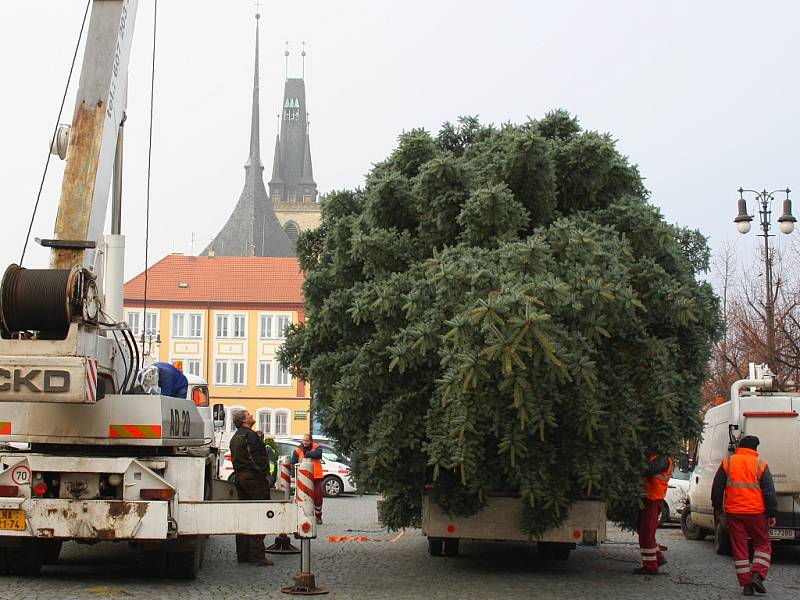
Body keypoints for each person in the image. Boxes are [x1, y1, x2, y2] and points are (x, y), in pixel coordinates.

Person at [712, 435, 777, 596]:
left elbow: (717, 487)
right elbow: (769, 492)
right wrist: (772, 513)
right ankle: (757, 574)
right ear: (755, 449)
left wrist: (717, 507)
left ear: (740, 446)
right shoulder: (760, 464)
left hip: (734, 513)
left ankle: (746, 585)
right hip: (756, 513)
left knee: (740, 549)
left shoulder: (729, 462)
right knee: (762, 544)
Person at [229, 409, 273, 566]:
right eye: (248, 414)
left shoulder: (235, 437)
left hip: (240, 477)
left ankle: (243, 554)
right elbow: (255, 458)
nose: (251, 415)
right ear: (243, 420)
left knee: (244, 515)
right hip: (253, 479)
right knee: (259, 514)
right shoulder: (249, 436)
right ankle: (256, 555)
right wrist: (265, 474)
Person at [632, 452, 673, 575]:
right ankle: (658, 558)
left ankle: (650, 567)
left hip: (653, 498)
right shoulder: (659, 456)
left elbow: (649, 470)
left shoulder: (663, 458)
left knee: (646, 533)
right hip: (651, 497)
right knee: (645, 531)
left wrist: (637, 468)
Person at [291, 434, 324, 523]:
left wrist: (307, 454)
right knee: (302, 497)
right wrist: (293, 476)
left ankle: (318, 516)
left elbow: (318, 455)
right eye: (303, 441)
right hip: (303, 477)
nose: (305, 443)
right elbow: (293, 463)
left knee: (318, 497)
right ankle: (303, 515)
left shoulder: (317, 447)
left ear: (311, 441)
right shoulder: (298, 450)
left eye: (307, 441)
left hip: (316, 476)